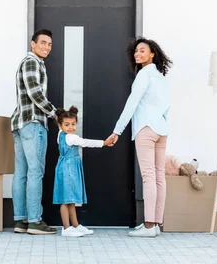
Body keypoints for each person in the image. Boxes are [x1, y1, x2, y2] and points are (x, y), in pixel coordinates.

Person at [108, 38, 172, 237]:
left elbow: (132, 103)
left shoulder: (144, 75)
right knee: (159, 176)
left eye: (142, 50)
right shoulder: (161, 77)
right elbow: (166, 106)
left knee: (149, 177)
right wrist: (162, 124)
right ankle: (156, 224)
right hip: (161, 129)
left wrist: (117, 131)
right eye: (136, 51)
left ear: (152, 54)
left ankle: (148, 226)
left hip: (146, 128)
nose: (137, 54)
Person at [11, 29, 58, 235]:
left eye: (49, 44)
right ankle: (35, 221)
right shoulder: (31, 62)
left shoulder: (32, 63)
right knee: (35, 173)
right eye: (43, 43)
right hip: (33, 123)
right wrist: (54, 113)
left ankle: (21, 221)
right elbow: (35, 93)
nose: (46, 47)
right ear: (33, 44)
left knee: (21, 174)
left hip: (21, 124)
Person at [53, 106, 116, 237]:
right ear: (60, 125)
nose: (71, 127)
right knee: (65, 199)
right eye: (66, 124)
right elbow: (85, 142)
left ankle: (75, 225)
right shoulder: (71, 137)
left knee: (70, 199)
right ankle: (66, 228)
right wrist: (104, 143)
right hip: (69, 169)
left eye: (73, 124)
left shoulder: (60, 134)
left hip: (65, 167)